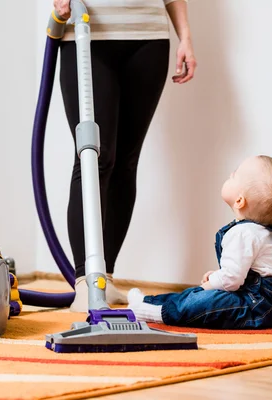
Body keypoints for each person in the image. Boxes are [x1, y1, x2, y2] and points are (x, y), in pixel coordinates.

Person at [54, 0, 197, 312]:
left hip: (149, 37)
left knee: (126, 161)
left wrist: (184, 36)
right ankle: (85, 282)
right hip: (86, 31)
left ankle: (105, 278)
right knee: (94, 158)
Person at [127, 155, 272, 329]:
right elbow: (241, 272)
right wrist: (217, 276)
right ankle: (147, 301)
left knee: (202, 301)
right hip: (257, 302)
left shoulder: (244, 233)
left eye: (234, 175)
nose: (230, 175)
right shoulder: (257, 232)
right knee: (196, 294)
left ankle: (153, 313)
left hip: (256, 308)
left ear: (239, 201)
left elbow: (232, 279)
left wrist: (212, 283)